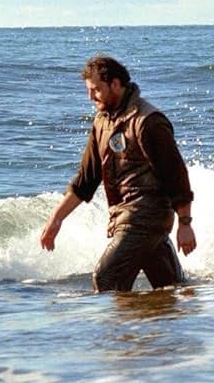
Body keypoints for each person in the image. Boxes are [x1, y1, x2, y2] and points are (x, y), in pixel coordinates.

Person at [40, 54, 196, 291]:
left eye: (96, 90)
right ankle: (182, 314)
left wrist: (185, 223)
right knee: (170, 288)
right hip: (127, 217)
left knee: (105, 277)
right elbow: (86, 180)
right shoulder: (102, 122)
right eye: (88, 90)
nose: (90, 97)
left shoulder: (148, 121)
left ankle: (122, 321)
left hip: (146, 217)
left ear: (115, 84)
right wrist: (56, 219)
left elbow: (176, 175)